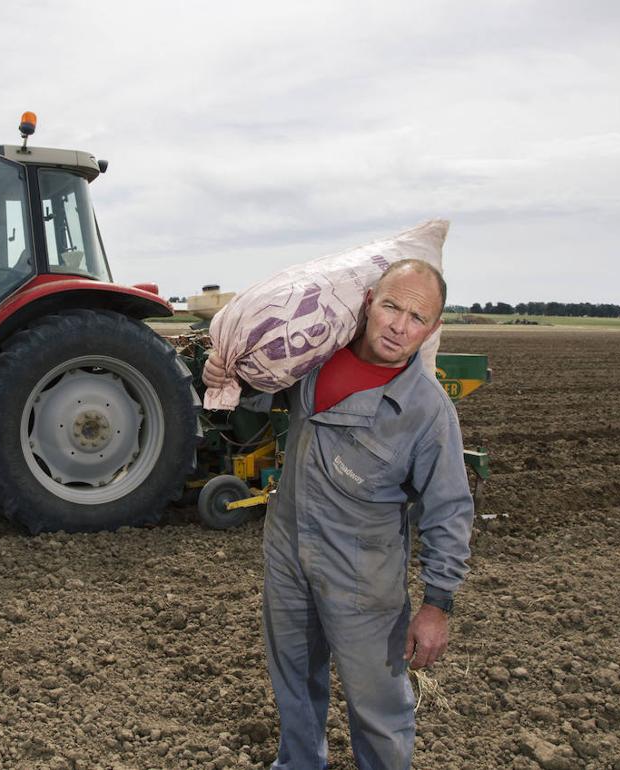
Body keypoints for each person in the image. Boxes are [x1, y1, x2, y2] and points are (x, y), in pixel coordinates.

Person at [203, 259, 474, 770]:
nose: (399, 325)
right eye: (392, 306)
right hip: (287, 556)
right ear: (370, 302)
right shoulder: (315, 358)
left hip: (361, 577)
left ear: (433, 328)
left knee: (378, 707)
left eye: (417, 317)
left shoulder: (425, 411)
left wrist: (438, 604)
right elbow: (258, 399)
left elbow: (449, 509)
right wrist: (226, 374)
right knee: (295, 688)